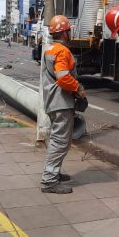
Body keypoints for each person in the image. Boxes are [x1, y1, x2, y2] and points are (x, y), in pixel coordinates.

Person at [40, 15, 86, 194]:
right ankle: (49, 181)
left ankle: (54, 173)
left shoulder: (50, 49)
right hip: (61, 102)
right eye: (69, 30)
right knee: (60, 142)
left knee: (57, 139)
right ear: (65, 33)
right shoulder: (62, 51)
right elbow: (63, 77)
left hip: (53, 101)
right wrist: (78, 88)